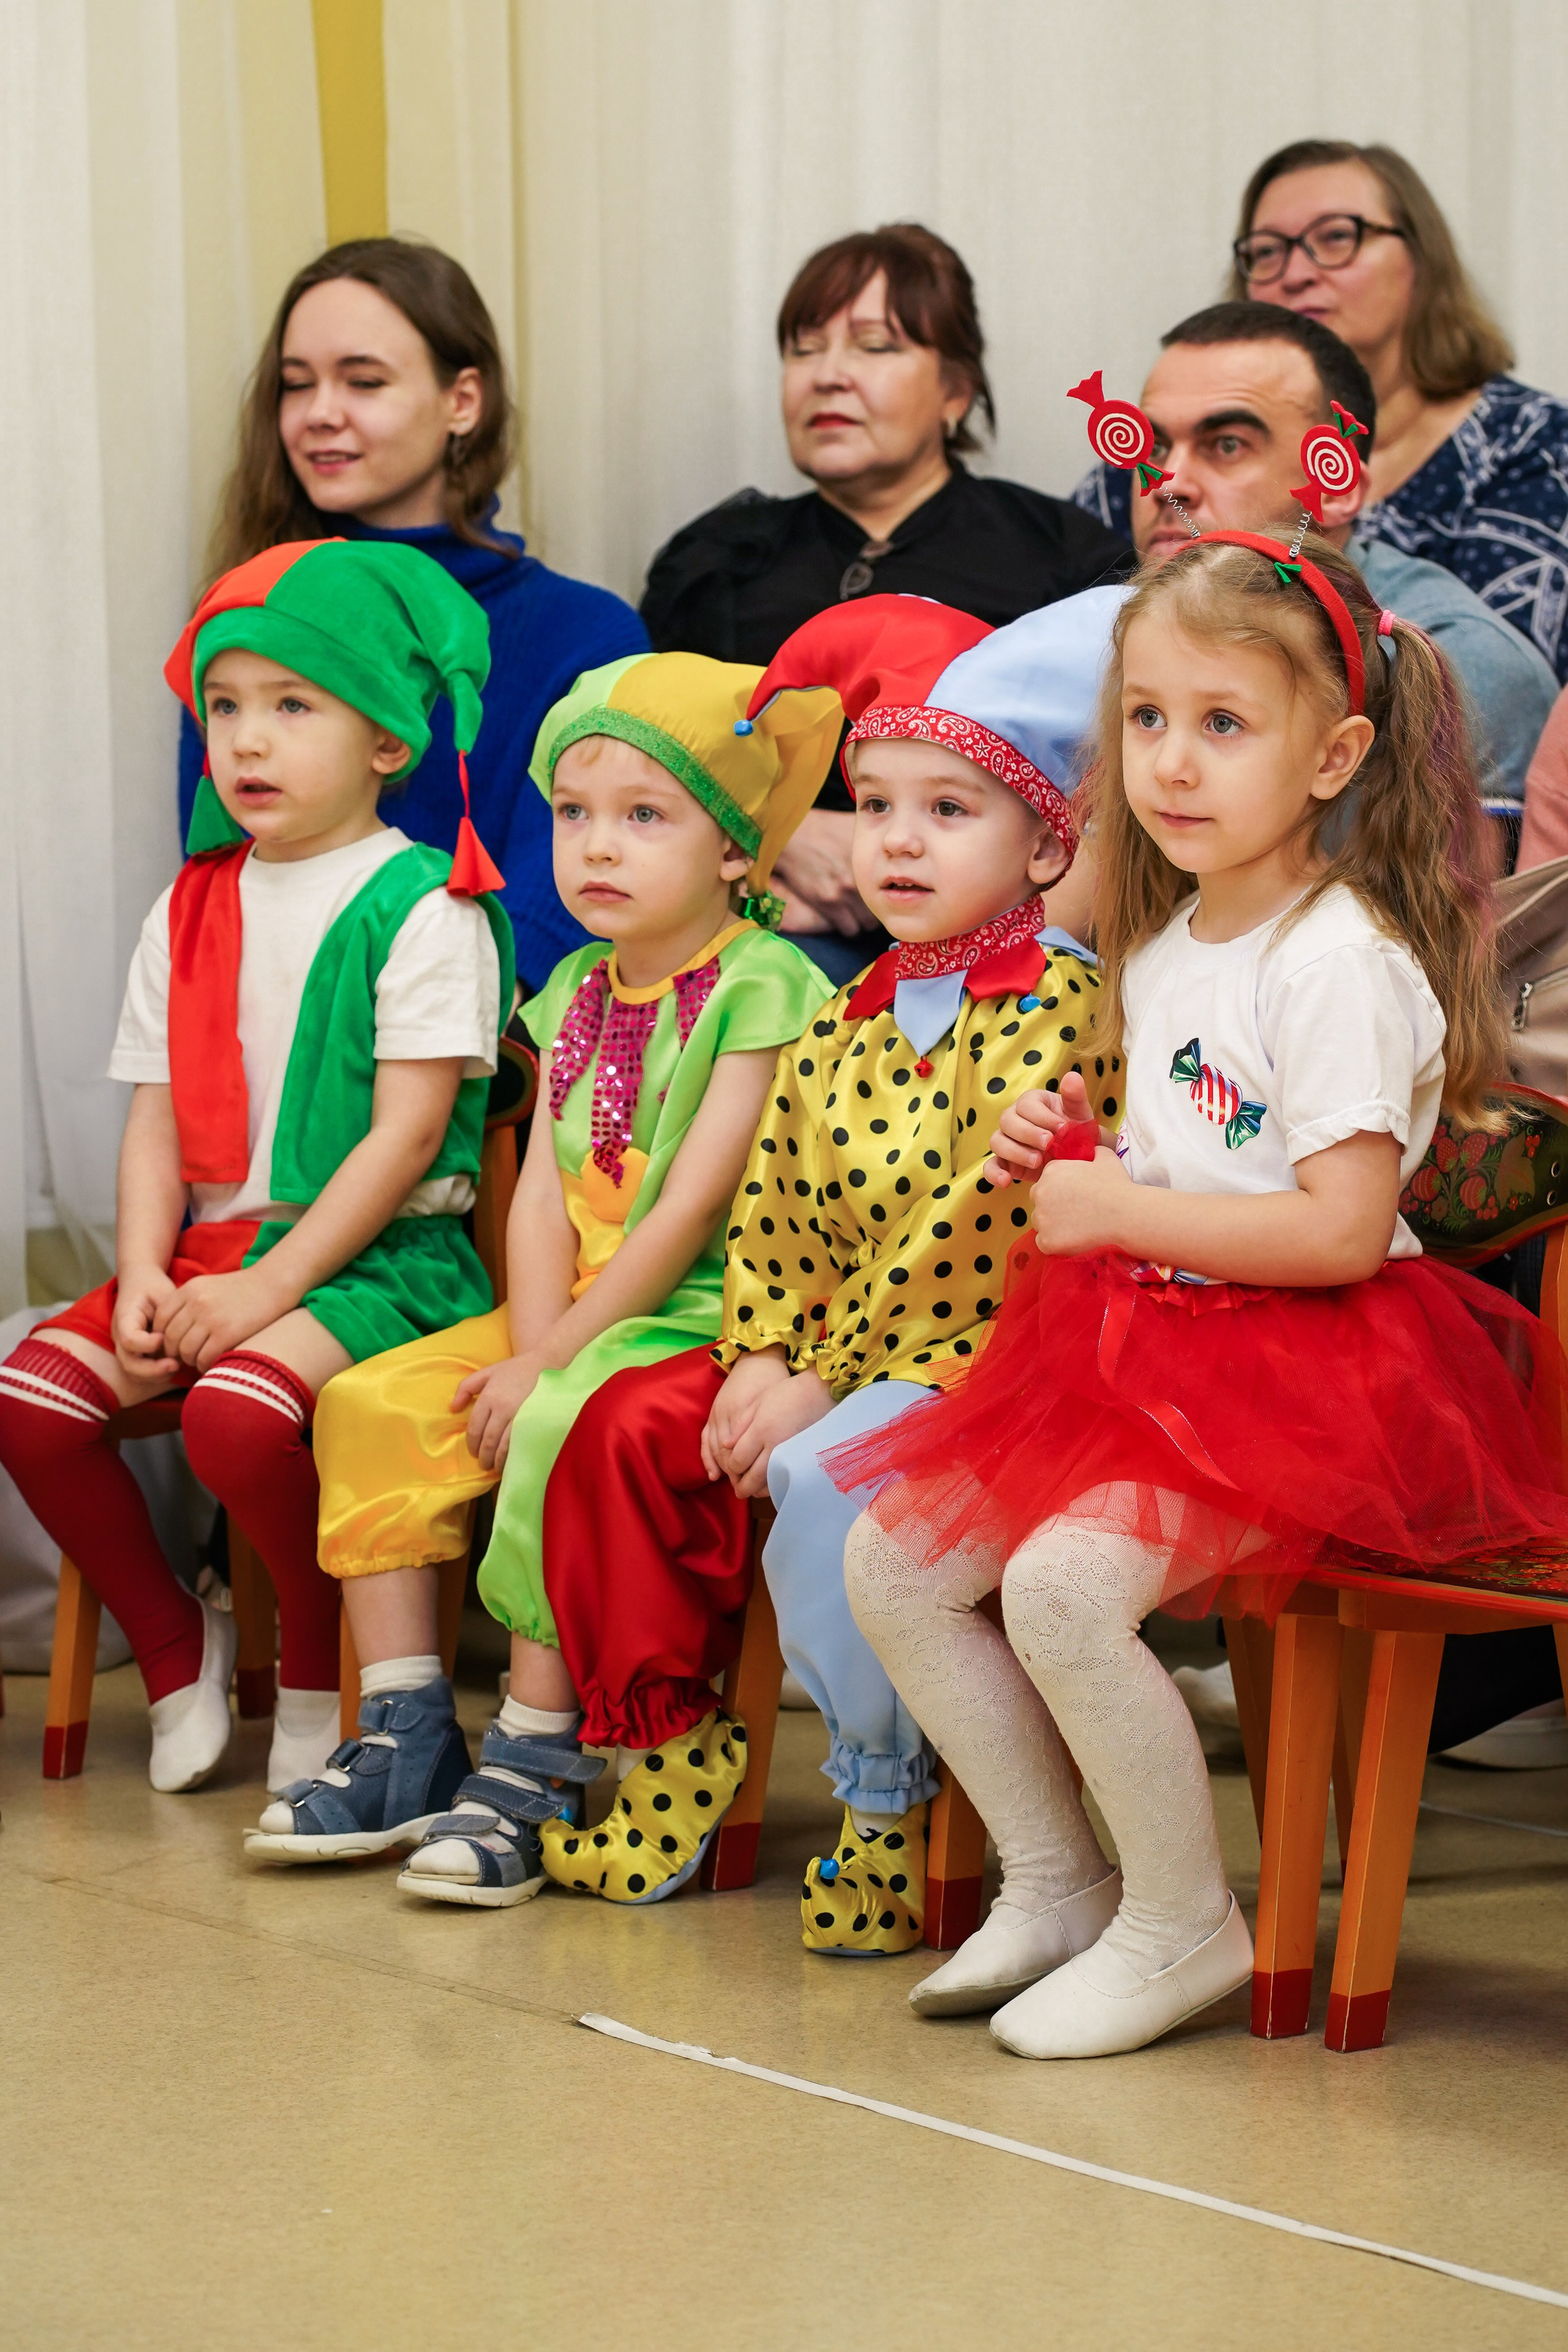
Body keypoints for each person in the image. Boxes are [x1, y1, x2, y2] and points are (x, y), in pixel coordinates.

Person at [828, 532, 1568, 2059]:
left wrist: (1111, 1204)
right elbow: (1200, 1146)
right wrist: (1077, 1149)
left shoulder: (1336, 962)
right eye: (1146, 720)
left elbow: (1340, 1231)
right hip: (1148, 1340)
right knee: (893, 1560)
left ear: (1330, 753)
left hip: (1308, 1365)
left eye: (1221, 723)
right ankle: (1056, 1875)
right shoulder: (1166, 938)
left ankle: (1183, 1921)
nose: (1170, 762)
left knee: (1061, 1587)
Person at [527, 588, 1128, 1950]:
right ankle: (757, 1758)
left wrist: (815, 1382)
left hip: (1004, 1357)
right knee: (711, 1436)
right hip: (864, 1355)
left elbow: (973, 1239)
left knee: (814, 1471)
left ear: (1045, 847)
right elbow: (778, 1217)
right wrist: (757, 1351)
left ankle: (879, 1799)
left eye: (949, 810)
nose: (897, 842)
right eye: (875, 805)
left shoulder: (1057, 1003)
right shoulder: (846, 1018)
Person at [244, 652, 839, 1886]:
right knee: (369, 1404)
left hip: (696, 1315)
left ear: (734, 850)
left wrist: (548, 1364)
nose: (596, 849)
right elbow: (545, 1205)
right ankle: (408, 1734)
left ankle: (535, 1751)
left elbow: (686, 1211)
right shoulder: (568, 984)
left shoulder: (764, 982)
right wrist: (528, 1337)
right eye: (573, 816)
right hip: (567, 1311)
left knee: (555, 1418)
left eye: (642, 816)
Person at [0, 541, 510, 1795]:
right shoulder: (189, 904)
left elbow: (401, 1143)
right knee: (34, 1398)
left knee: (236, 1413)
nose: (247, 742)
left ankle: (314, 1667)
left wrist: (264, 1293)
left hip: (383, 1263)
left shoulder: (426, 906)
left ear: (388, 741)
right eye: (224, 708)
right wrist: (136, 1273)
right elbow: (156, 1122)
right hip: (216, 1255)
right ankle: (180, 1646)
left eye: (293, 707)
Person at [643, 224, 1132, 980]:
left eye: (875, 347)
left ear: (956, 392)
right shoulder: (714, 560)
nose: (827, 376)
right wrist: (775, 837)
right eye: (804, 349)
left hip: (1009, 948)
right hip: (755, 930)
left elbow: (1112, 789)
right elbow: (648, 758)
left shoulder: (1062, 557)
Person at [184, 238, 649, 991]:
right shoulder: (246, 619)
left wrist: (425, 1054)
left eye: (363, 382)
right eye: (296, 385)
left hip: (496, 1060)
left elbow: (571, 900)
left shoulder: (585, 634)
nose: (319, 415)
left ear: (462, 401)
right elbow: (220, 873)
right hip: (277, 1035)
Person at [1074, 300, 1558, 865]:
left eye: (1227, 444)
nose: (1167, 484)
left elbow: (1448, 943)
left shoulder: (1455, 660)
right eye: (1154, 448)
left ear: (1336, 486)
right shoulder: (1123, 623)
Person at [1227, 140, 1568, 685]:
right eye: (1267, 251)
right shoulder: (1186, 446)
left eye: (1336, 237)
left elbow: (1500, 695)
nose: (1293, 273)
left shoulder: (1541, 448)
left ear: (1420, 261)